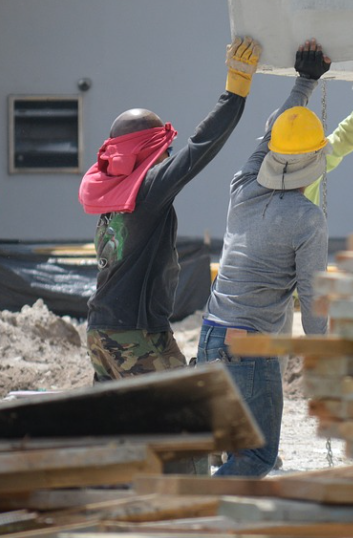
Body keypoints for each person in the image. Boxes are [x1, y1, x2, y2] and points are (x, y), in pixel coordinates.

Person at [79, 36, 261, 381]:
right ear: (151, 151)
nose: (168, 157)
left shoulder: (114, 193)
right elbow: (200, 147)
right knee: (189, 401)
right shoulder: (148, 188)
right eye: (166, 150)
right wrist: (235, 91)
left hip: (100, 330)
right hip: (136, 333)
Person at [198, 39, 333, 478]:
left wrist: (305, 81)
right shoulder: (307, 219)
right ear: (317, 160)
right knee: (255, 458)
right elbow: (313, 302)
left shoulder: (243, 184)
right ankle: (194, 511)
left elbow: (272, 132)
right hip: (249, 349)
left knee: (237, 450)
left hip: (210, 337)